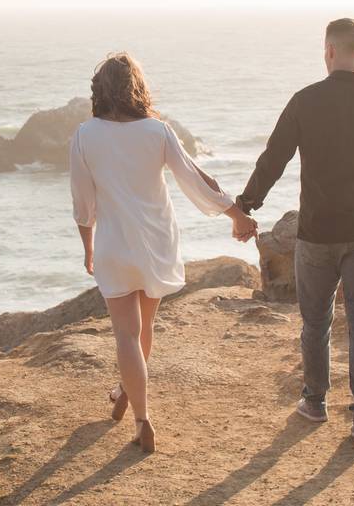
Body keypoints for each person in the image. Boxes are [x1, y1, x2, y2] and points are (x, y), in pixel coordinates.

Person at [236, 18, 354, 445]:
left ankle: (315, 403)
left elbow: (273, 159)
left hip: (316, 235)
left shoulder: (305, 102)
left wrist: (246, 206)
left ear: (329, 51)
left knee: (315, 322)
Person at [70, 52, 256, 453]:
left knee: (125, 334)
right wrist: (235, 215)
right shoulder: (157, 131)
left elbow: (83, 204)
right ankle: (127, 395)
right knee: (144, 330)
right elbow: (195, 179)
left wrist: (87, 247)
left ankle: (141, 418)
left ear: (99, 90)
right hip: (156, 242)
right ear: (136, 88)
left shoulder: (85, 135)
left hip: (115, 245)